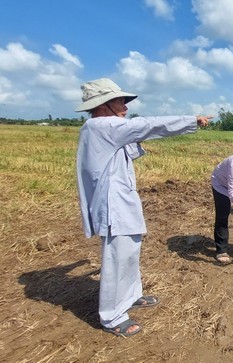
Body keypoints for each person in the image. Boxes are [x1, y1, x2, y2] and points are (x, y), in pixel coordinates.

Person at [75, 78, 212, 337]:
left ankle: (131, 295)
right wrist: (191, 121)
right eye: (120, 101)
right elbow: (147, 126)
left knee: (129, 252)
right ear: (104, 105)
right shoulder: (103, 125)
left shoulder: (99, 127)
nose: (125, 106)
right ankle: (112, 315)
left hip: (122, 199)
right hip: (113, 204)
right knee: (118, 256)